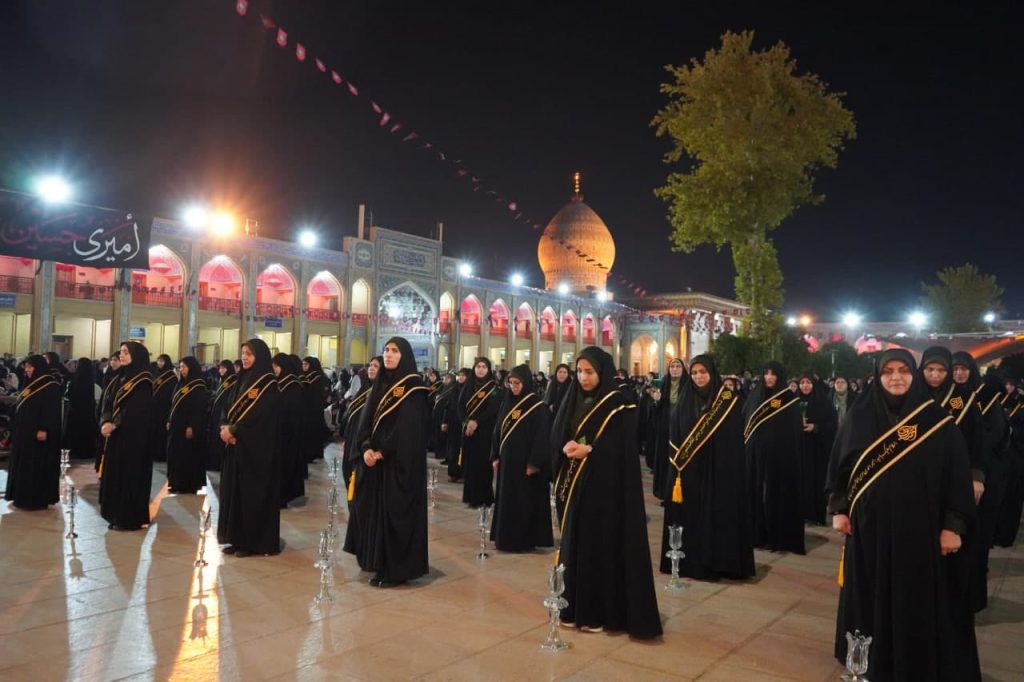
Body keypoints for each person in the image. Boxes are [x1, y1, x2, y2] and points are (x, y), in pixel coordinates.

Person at [827, 348, 976, 681]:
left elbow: (956, 477)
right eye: (888, 371)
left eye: (903, 371)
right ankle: (867, 658)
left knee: (915, 597)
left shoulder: (936, 421)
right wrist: (839, 508)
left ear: (914, 374)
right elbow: (842, 466)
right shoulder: (860, 415)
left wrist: (953, 525)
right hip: (868, 529)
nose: (896, 377)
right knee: (869, 593)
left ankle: (912, 659)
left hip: (920, 531)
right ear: (878, 376)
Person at [552, 346, 661, 638]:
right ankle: (573, 607)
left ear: (602, 372)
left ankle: (598, 611)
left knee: (598, 548)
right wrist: (565, 446)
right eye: (579, 371)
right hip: (578, 485)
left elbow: (623, 447)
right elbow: (562, 430)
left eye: (589, 372)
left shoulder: (619, 402)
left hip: (606, 489)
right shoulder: (573, 397)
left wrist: (591, 450)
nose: (583, 378)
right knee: (575, 544)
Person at [343, 337, 430, 587]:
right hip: (374, 464)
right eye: (386, 350)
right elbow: (366, 421)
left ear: (404, 356)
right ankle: (378, 563)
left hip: (397, 465)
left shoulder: (414, 389)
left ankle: (396, 570)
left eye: (394, 351)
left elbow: (409, 429)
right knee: (373, 513)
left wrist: (382, 451)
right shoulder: (379, 384)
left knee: (394, 515)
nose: (389, 355)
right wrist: (366, 447)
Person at [660, 354, 753, 580]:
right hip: (690, 470)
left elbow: (733, 439)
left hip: (719, 471)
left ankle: (719, 562)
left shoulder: (729, 400)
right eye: (694, 373)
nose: (699, 377)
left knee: (717, 515)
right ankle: (691, 562)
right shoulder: (685, 398)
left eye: (703, 372)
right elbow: (675, 433)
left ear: (712, 373)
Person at [952, 352, 1007, 613]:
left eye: (964, 369)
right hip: (952, 476)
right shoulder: (948, 400)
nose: (959, 374)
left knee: (975, 539)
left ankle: (972, 596)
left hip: (981, 477)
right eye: (956, 369)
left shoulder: (984, 400)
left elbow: (992, 438)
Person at [217, 338, 281, 557]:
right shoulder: (240, 379)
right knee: (233, 494)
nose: (244, 357)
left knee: (250, 496)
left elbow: (261, 419)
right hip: (236, 449)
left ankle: (251, 542)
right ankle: (235, 538)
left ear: (259, 357)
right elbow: (228, 407)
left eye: (249, 354)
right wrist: (225, 427)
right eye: (243, 353)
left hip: (255, 452)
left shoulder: (268, 385)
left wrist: (236, 432)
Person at [490, 364, 553, 552]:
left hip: (525, 465)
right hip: (507, 462)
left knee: (524, 503)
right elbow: (498, 430)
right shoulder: (507, 402)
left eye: (517, 383)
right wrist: (495, 455)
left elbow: (542, 437)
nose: (513, 387)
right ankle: (505, 539)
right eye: (510, 383)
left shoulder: (537, 406)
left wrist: (534, 462)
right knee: (507, 501)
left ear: (525, 383)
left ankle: (523, 540)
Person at [743, 361, 805, 553]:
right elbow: (745, 423)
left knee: (776, 494)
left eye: (773, 374)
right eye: (766, 373)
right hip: (755, 455)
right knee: (756, 494)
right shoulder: (755, 396)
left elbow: (793, 432)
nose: (769, 377)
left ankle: (777, 535)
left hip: (780, 457)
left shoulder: (789, 400)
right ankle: (757, 533)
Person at [99, 342, 156, 531]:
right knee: (116, 476)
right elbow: (108, 403)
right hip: (117, 438)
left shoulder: (143, 382)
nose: (121, 355)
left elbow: (136, 411)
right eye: (121, 352)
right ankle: (115, 514)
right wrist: (106, 421)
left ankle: (129, 518)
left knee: (130, 477)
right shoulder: (119, 378)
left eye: (125, 353)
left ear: (136, 356)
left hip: (134, 440)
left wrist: (114, 423)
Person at [4, 355, 61, 510]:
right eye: (26, 367)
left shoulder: (50, 384)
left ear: (38, 367)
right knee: (22, 463)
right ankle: (20, 494)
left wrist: (44, 428)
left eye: (30, 367)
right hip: (24, 431)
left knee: (35, 464)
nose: (27, 370)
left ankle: (35, 498)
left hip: (37, 433)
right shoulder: (30, 383)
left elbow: (51, 410)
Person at [457, 357, 501, 507]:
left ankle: (485, 498)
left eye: (484, 367)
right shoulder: (467, 386)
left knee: (484, 465)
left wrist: (477, 422)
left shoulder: (494, 388)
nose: (481, 369)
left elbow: (493, 410)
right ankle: (471, 497)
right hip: (469, 432)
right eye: (478, 366)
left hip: (485, 432)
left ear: (489, 370)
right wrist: (466, 422)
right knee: (470, 465)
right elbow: (460, 407)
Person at [797, 374, 838, 525]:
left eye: (808, 382)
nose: (805, 386)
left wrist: (816, 427)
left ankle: (816, 515)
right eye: (802, 382)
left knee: (816, 481)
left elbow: (832, 424)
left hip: (818, 449)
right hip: (800, 449)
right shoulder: (794, 402)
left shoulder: (824, 402)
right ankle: (802, 513)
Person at [166, 356, 209, 495]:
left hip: (187, 428)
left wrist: (192, 426)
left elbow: (199, 410)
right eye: (180, 367)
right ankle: (175, 482)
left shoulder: (198, 386)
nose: (181, 370)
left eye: (184, 367)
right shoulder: (180, 383)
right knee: (174, 454)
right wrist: (169, 419)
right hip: (176, 427)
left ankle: (187, 484)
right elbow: (173, 404)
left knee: (186, 456)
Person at [651, 358, 688, 499]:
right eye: (672, 366)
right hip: (665, 429)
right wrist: (656, 400)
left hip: (682, 429)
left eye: (678, 366)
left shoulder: (688, 385)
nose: (675, 369)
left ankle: (678, 493)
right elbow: (657, 410)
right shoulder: (664, 384)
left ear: (683, 369)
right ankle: (665, 492)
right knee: (665, 460)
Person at [273, 353, 306, 508]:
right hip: (282, 431)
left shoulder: (292, 385)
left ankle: (283, 496)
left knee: (286, 465)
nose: (274, 369)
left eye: (276, 366)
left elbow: (290, 412)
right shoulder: (282, 383)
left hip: (289, 433)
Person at [341, 360, 378, 488]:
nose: (371, 368)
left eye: (376, 366)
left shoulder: (382, 393)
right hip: (352, 440)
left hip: (366, 445)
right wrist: (347, 437)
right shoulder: (364, 389)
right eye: (370, 365)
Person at [205, 360, 237, 472]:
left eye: (224, 368)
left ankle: (219, 464)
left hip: (224, 416)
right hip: (216, 414)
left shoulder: (233, 382)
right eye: (220, 368)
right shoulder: (222, 381)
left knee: (220, 441)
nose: (221, 370)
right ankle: (213, 463)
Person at [66, 357, 98, 463]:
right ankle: (87, 451)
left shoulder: (75, 379)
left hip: (76, 411)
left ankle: (76, 450)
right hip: (88, 411)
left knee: (77, 431)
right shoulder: (91, 379)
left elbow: (70, 395)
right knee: (87, 431)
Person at [300, 356, 331, 462]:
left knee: (315, 430)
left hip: (315, 409)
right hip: (308, 408)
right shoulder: (306, 377)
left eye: (306, 364)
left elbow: (322, 394)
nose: (303, 366)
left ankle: (315, 452)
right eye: (303, 364)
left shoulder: (318, 378)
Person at [445, 368, 469, 482]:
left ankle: (462, 474)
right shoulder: (454, 388)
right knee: (452, 449)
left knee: (462, 450)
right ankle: (453, 472)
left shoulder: (469, 390)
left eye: (464, 375)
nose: (461, 377)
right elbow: (448, 405)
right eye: (460, 375)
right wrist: (445, 421)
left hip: (463, 424)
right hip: (453, 423)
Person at [151, 354, 176, 463]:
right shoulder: (156, 374)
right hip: (155, 408)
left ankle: (162, 454)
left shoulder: (172, 376)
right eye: (158, 361)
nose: (160, 363)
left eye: (162, 361)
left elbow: (171, 394)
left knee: (162, 432)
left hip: (165, 408)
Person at [432, 372, 458, 464]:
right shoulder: (443, 387)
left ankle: (446, 456)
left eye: (447, 378)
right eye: (444, 378)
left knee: (446, 438)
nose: (444, 380)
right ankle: (440, 453)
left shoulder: (453, 388)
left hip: (446, 416)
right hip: (439, 416)